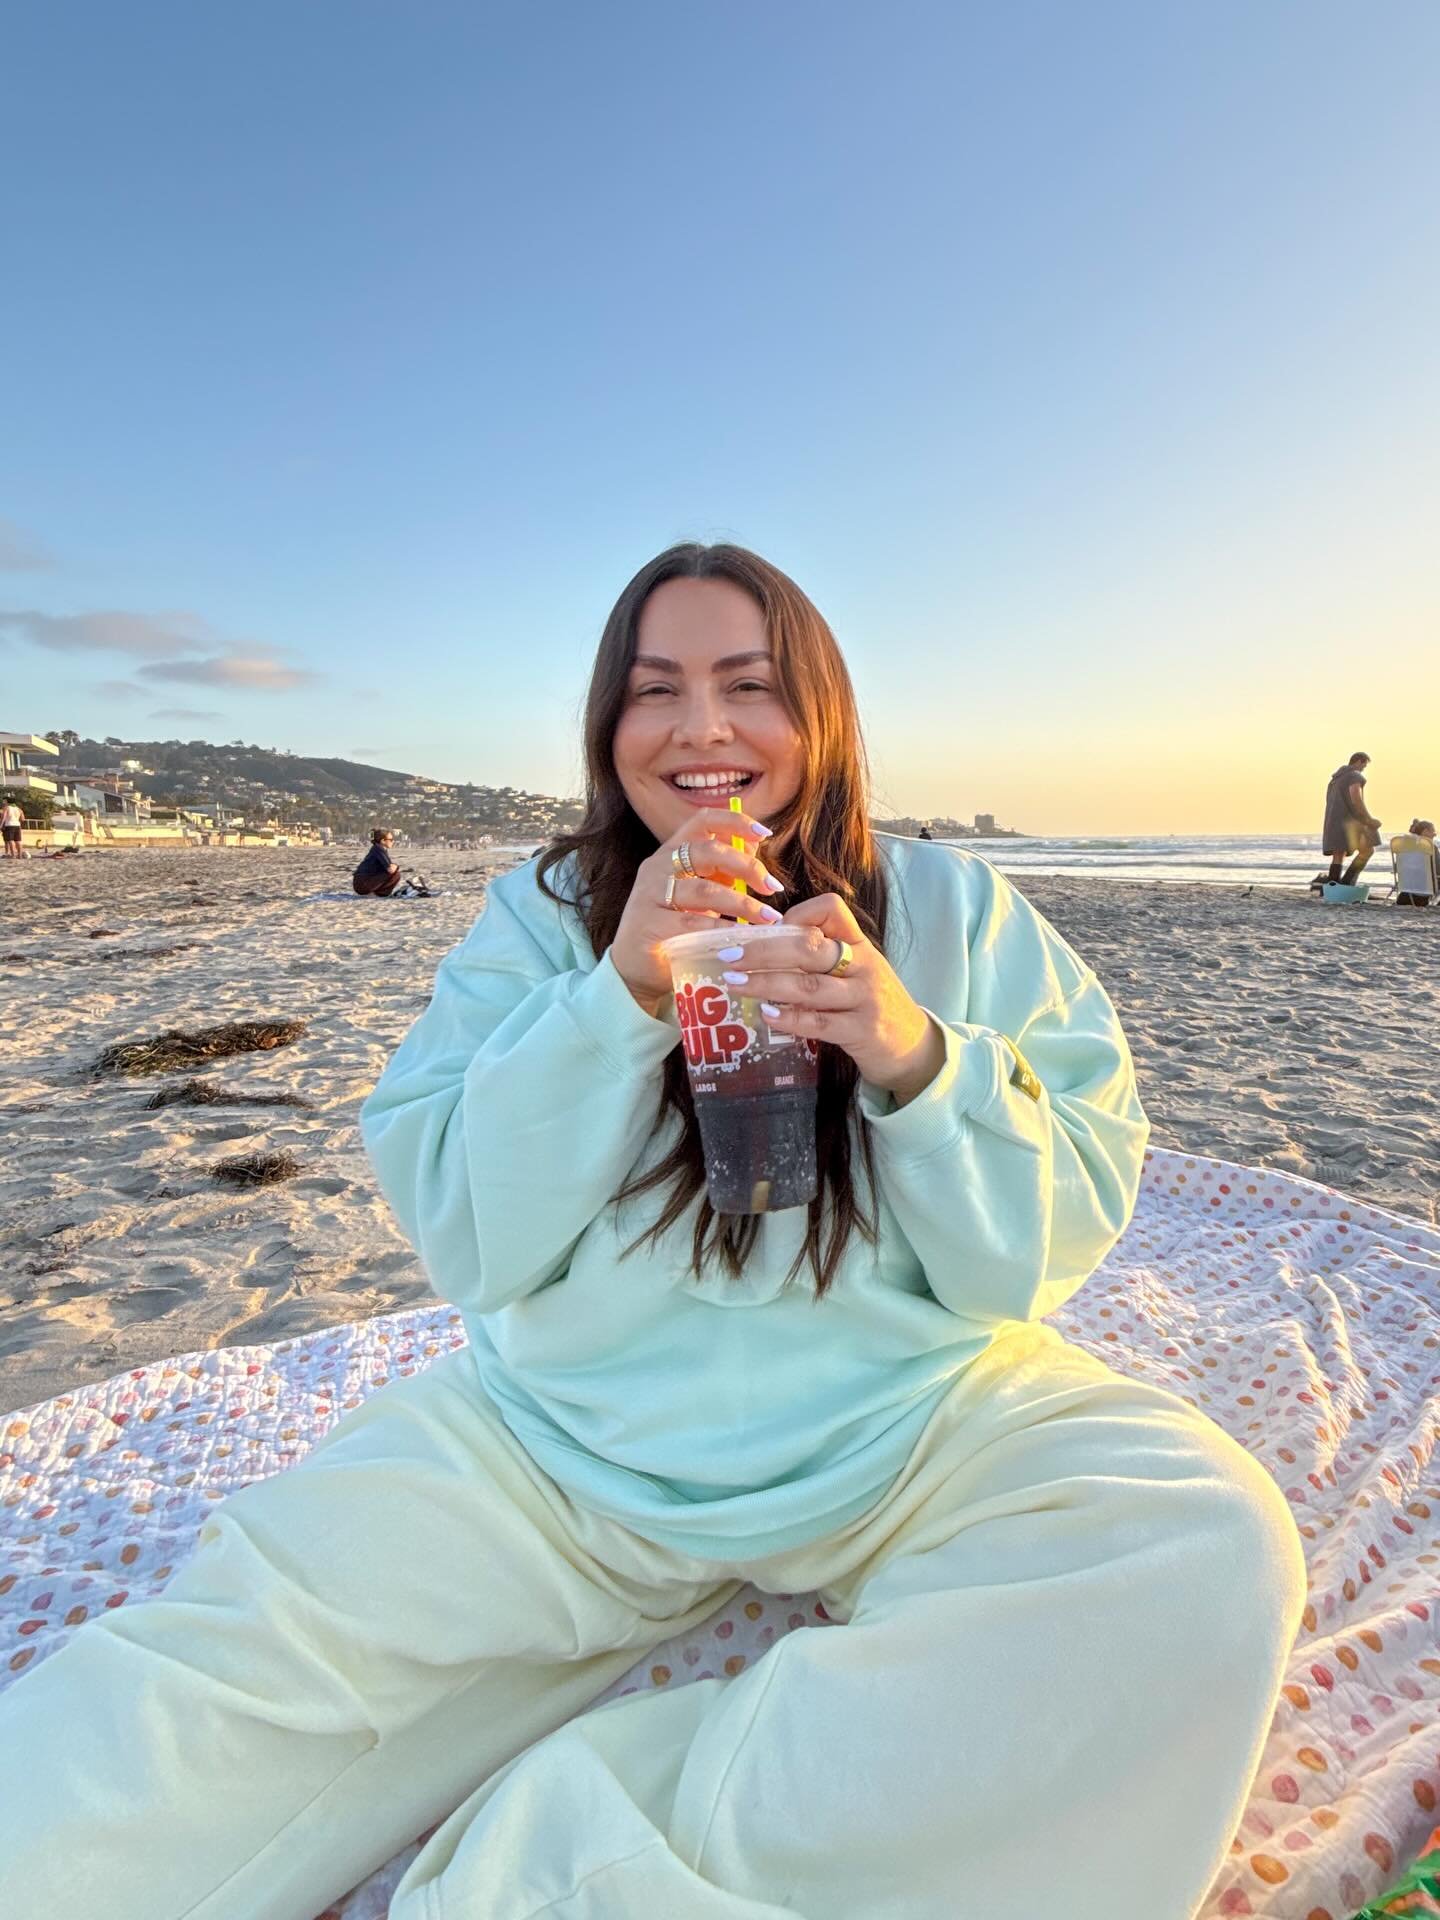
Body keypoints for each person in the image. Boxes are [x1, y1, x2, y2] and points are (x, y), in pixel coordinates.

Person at [2, 543, 1305, 1920]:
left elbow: (1032, 1258)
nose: (700, 730)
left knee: (1201, 1549)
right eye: (653, 690)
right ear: (605, 726)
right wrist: (616, 994)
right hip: (565, 1445)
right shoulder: (544, 915)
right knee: (210, 1680)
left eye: (749, 685)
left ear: (821, 713)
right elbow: (470, 1238)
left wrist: (916, 1053)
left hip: (906, 1425)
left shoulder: (953, 911)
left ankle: (564, 1866)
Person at [1322, 751, 1381, 886]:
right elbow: (1356, 797)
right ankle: (1347, 882)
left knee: (1338, 854)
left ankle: (1333, 886)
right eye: (1364, 766)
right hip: (1351, 821)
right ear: (1359, 761)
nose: (1363, 769)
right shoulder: (1354, 776)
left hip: (1333, 821)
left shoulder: (1335, 779)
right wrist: (1368, 819)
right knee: (1367, 850)